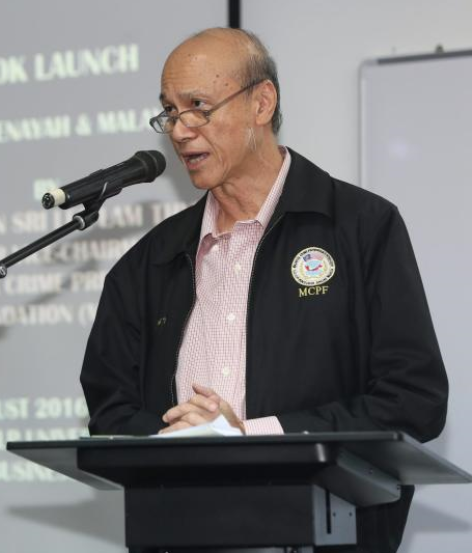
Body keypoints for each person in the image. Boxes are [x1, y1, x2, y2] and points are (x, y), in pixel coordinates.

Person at [80, 28, 448, 553]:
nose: (179, 130)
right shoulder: (149, 262)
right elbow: (110, 409)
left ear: (262, 102)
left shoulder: (361, 227)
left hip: (328, 537)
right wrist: (180, 440)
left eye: (198, 107)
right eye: (170, 112)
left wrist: (249, 436)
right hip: (181, 535)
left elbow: (414, 400)